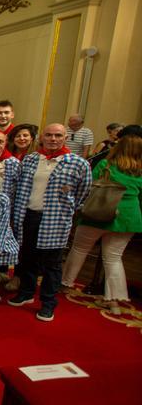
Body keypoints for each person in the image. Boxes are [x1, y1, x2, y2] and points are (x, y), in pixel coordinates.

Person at [9, 124, 91, 322]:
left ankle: (48, 303)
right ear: (41, 138)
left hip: (55, 219)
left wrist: (65, 208)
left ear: (65, 138)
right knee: (27, 257)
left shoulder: (78, 163)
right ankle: (26, 292)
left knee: (51, 264)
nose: (53, 139)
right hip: (28, 215)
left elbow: (83, 192)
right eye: (49, 135)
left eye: (58, 135)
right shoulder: (31, 159)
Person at [62, 134, 141, 314]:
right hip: (129, 218)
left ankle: (65, 283)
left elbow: (90, 185)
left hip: (99, 212)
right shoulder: (140, 171)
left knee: (79, 249)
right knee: (113, 258)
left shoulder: (107, 165)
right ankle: (114, 301)